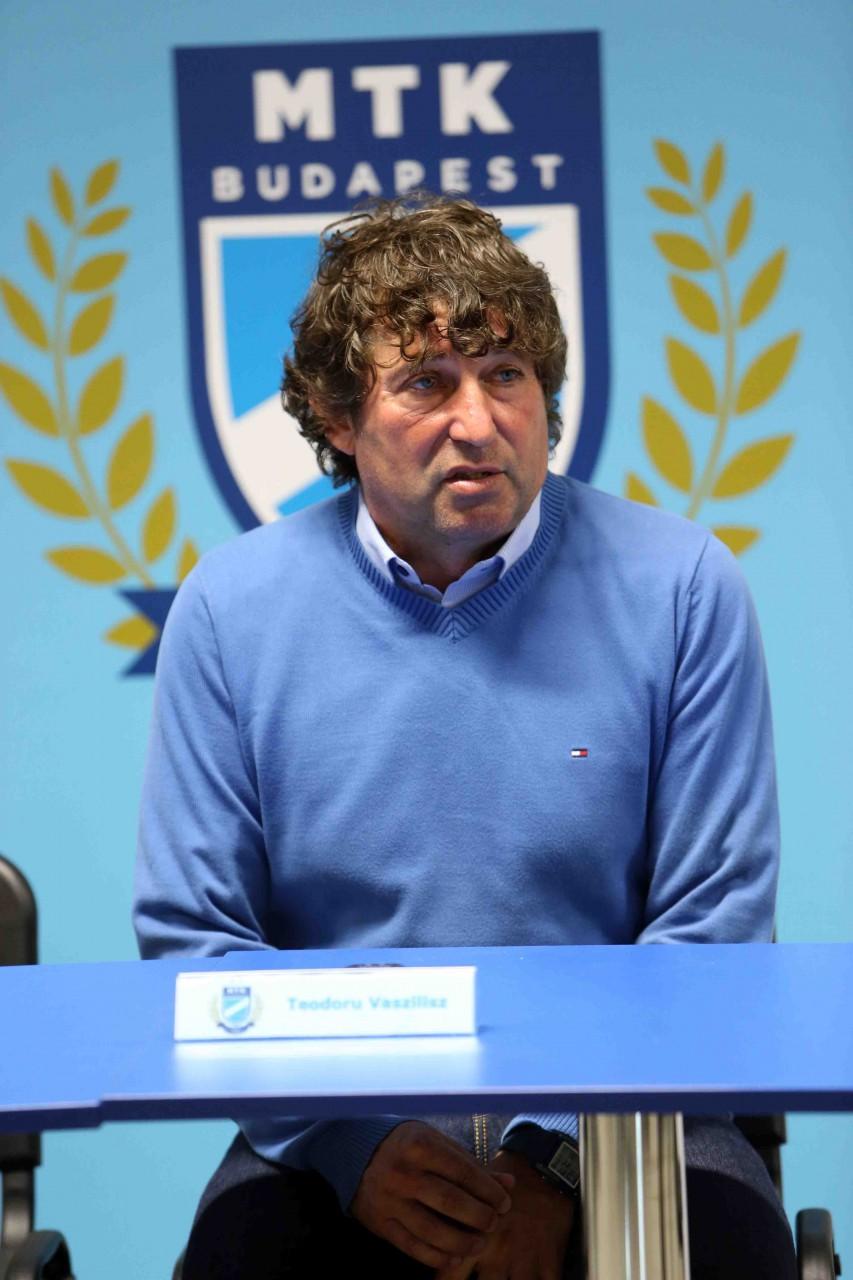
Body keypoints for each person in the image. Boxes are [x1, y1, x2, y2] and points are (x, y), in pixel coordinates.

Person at [134, 195, 796, 1279]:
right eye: (427, 383)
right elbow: (198, 942)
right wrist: (354, 1148)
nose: (479, 421)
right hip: (336, 1127)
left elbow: (712, 930)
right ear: (336, 417)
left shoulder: (682, 586)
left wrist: (560, 1160)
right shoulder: (228, 610)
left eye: (505, 375)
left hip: (633, 1117)